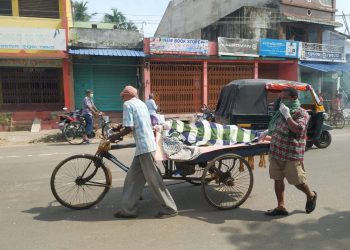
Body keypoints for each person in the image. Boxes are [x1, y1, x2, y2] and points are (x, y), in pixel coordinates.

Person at [109, 85, 177, 219]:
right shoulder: (141, 103)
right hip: (146, 145)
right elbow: (137, 121)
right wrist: (120, 127)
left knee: (154, 180)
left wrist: (115, 137)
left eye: (123, 95)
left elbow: (130, 128)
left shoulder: (128, 104)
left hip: (144, 147)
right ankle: (128, 209)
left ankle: (170, 208)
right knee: (132, 178)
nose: (122, 98)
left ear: (128, 95)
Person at [259, 87, 317, 216]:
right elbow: (276, 128)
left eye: (285, 98)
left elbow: (298, 130)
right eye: (281, 98)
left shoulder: (302, 113)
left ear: (294, 98)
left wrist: (288, 115)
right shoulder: (280, 112)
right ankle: (281, 206)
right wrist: (267, 132)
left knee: (298, 182)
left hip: (291, 153)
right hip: (276, 151)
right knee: (277, 179)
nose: (282, 101)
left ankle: (311, 195)